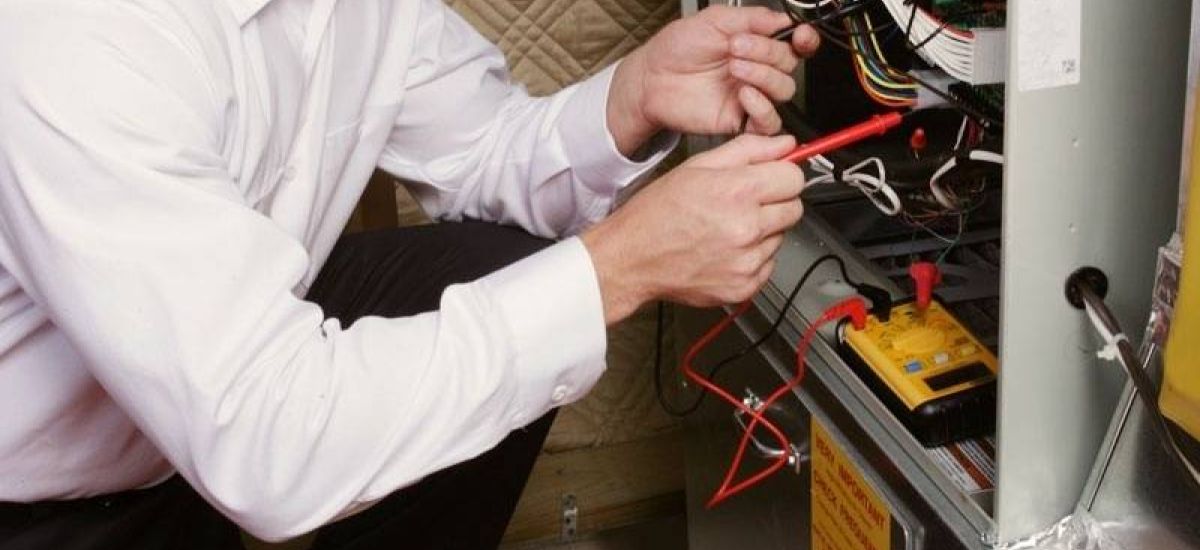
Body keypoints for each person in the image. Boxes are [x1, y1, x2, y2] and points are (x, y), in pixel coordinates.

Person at [0, 0, 818, 547]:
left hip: (200, 409)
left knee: (501, 268)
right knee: (550, 295)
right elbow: (265, 440)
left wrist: (631, 99)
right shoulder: (78, 37)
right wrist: (614, 272)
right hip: (43, 508)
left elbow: (484, 152)